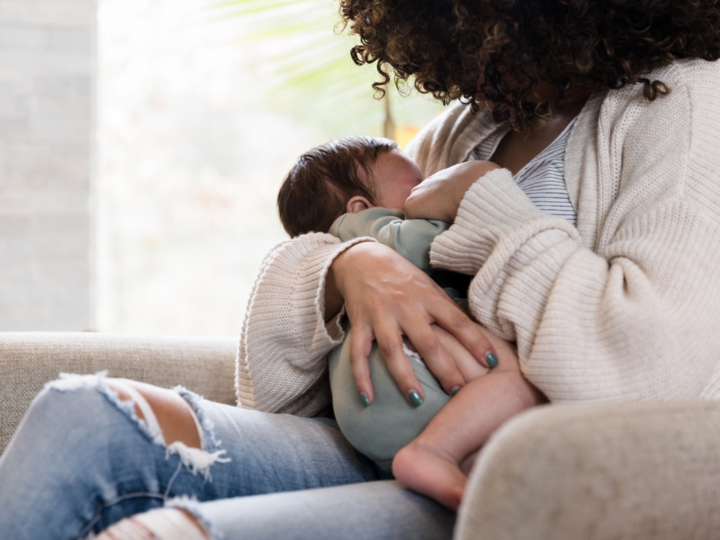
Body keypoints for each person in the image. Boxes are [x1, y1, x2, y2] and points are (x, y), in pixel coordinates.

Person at [3, 1, 720, 538]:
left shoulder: (682, 103)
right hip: (386, 444)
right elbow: (274, 389)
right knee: (85, 417)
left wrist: (482, 203)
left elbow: (647, 370)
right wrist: (351, 262)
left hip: (505, 483)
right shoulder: (476, 125)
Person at [276, 135, 543, 509]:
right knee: (521, 379)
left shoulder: (346, 247)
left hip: (367, 410)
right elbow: (431, 242)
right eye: (417, 186)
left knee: (481, 475)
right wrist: (466, 195)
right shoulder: (369, 231)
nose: (427, 189)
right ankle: (432, 451)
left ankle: (441, 464)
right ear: (360, 207)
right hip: (402, 378)